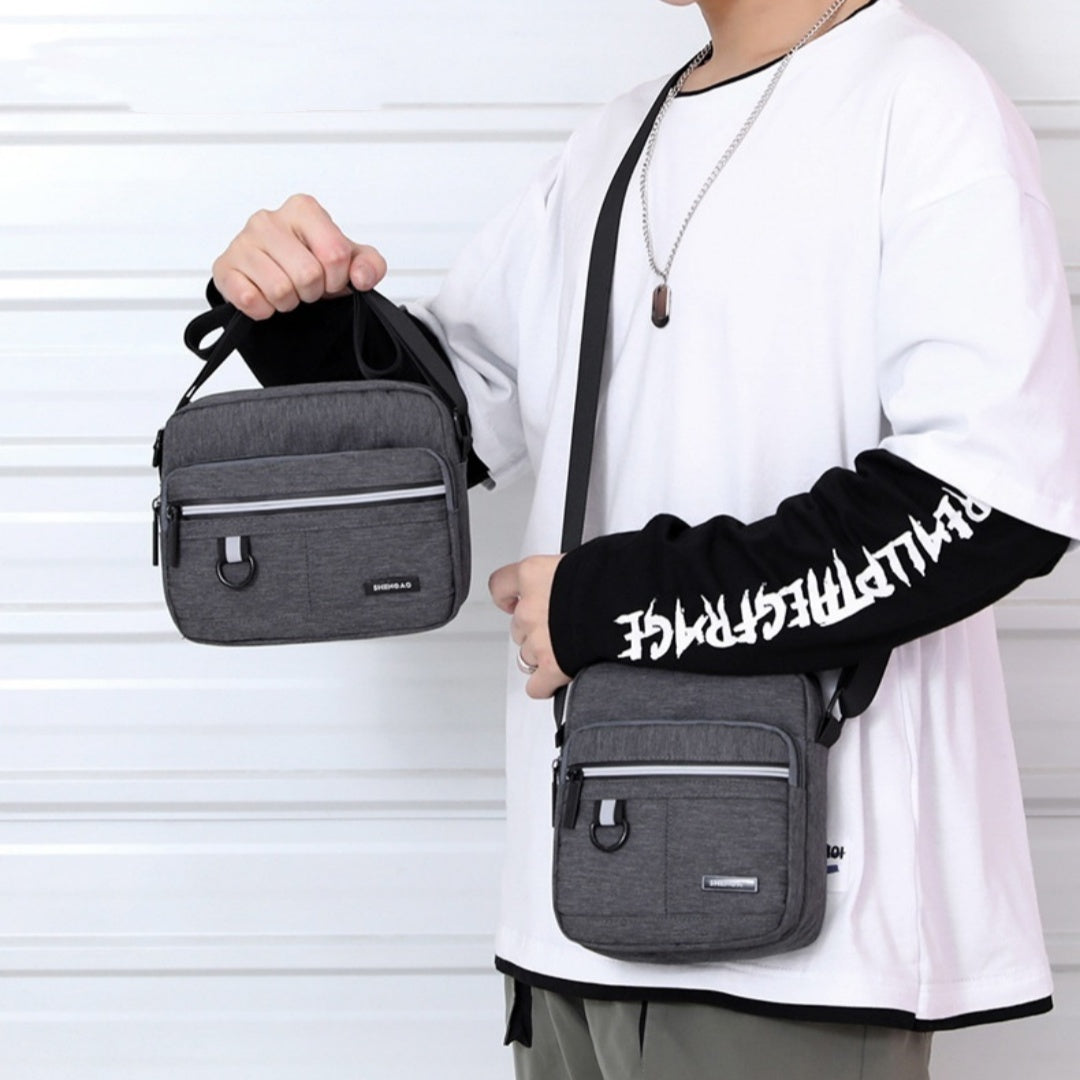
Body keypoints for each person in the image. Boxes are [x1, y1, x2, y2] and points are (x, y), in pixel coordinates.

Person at [207, 1, 1080, 1076]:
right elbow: (437, 433)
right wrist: (294, 315)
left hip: (796, 942)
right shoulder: (616, 141)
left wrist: (616, 606)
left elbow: (990, 500)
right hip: (576, 909)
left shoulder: (922, 100)